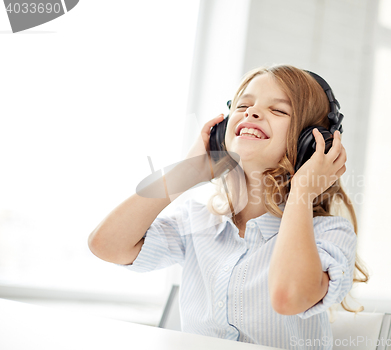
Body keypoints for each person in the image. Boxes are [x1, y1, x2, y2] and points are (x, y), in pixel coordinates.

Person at [88, 64, 369, 350]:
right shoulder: (197, 221)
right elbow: (106, 245)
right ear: (222, 131)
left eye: (279, 110)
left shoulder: (330, 233)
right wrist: (186, 173)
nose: (252, 112)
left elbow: (289, 298)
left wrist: (302, 191)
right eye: (244, 104)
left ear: (311, 143)